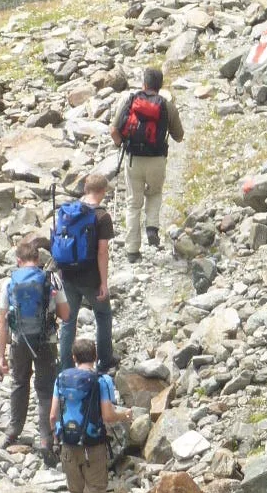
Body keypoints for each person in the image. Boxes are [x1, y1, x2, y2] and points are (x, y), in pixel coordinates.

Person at [50, 337, 130, 493]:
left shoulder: (61, 378)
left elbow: (53, 415)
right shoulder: (102, 380)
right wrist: (125, 415)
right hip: (93, 447)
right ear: (95, 357)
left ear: (74, 358)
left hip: (68, 446)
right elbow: (108, 415)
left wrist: (56, 438)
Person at [0, 235, 67, 459]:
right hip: (46, 341)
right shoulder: (51, 280)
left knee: (19, 384)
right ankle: (46, 439)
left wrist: (1, 356)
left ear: (18, 260)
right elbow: (65, 315)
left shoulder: (9, 282)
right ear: (38, 259)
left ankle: (13, 431)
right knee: (45, 388)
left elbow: (2, 322)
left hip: (19, 342)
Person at [111, 65, 184, 260]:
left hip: (133, 159)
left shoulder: (130, 100)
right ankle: (152, 227)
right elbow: (179, 136)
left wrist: (120, 144)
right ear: (160, 85)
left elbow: (114, 131)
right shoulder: (166, 105)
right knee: (154, 193)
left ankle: (132, 250)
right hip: (157, 160)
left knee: (133, 204)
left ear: (144, 83)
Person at [51, 171, 116, 372]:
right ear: (103, 191)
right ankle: (104, 360)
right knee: (103, 315)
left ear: (85, 189)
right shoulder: (102, 216)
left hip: (67, 274)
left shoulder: (68, 211)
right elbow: (102, 252)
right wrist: (103, 283)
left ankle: (66, 366)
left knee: (68, 321)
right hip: (91, 278)